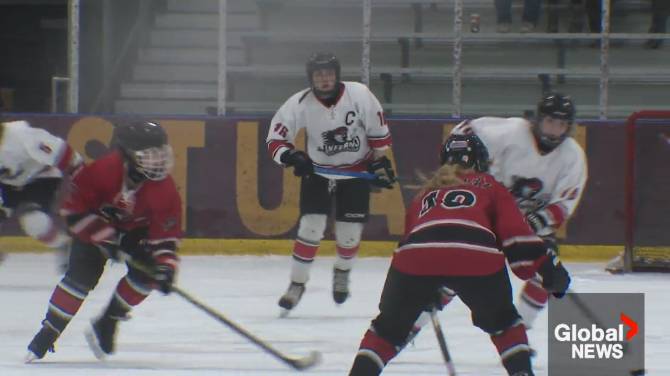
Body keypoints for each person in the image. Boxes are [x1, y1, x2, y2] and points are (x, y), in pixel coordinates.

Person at [348, 134, 571, 376]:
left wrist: (423, 288)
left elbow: (413, 240)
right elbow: (516, 234)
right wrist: (547, 268)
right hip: (476, 257)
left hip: (415, 259)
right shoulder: (490, 185)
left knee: (386, 332)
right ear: (480, 162)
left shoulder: (425, 193)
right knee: (504, 324)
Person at [26, 120, 182, 361]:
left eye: (161, 153)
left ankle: (108, 321)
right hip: (94, 227)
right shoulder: (102, 171)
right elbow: (74, 214)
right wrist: (109, 240)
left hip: (135, 234)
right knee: (80, 279)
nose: (159, 160)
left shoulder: (165, 189)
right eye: (150, 154)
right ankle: (50, 330)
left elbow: (166, 238)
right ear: (129, 155)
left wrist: (165, 267)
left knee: (147, 274)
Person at [266, 52, 396, 315]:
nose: (324, 80)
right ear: (311, 78)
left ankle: (342, 272)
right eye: (318, 75)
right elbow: (275, 139)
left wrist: (379, 162)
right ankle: (297, 283)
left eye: (328, 74)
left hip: (355, 172)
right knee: (310, 227)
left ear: (336, 75)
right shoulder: (300, 102)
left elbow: (378, 137)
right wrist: (291, 156)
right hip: (318, 173)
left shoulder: (359, 95)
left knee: (349, 234)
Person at [447, 93, 586, 332]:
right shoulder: (511, 131)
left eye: (562, 124)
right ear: (538, 119)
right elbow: (464, 131)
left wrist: (532, 223)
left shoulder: (573, 156)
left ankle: (519, 330)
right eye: (550, 122)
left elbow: (563, 205)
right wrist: (457, 158)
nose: (554, 130)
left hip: (531, 225)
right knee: (455, 270)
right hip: (488, 216)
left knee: (547, 276)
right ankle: (413, 323)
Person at [0, 120, 83, 266]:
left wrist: (85, 179)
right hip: (7, 184)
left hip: (40, 177)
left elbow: (66, 156)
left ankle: (65, 246)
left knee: (33, 221)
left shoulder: (22, 136)